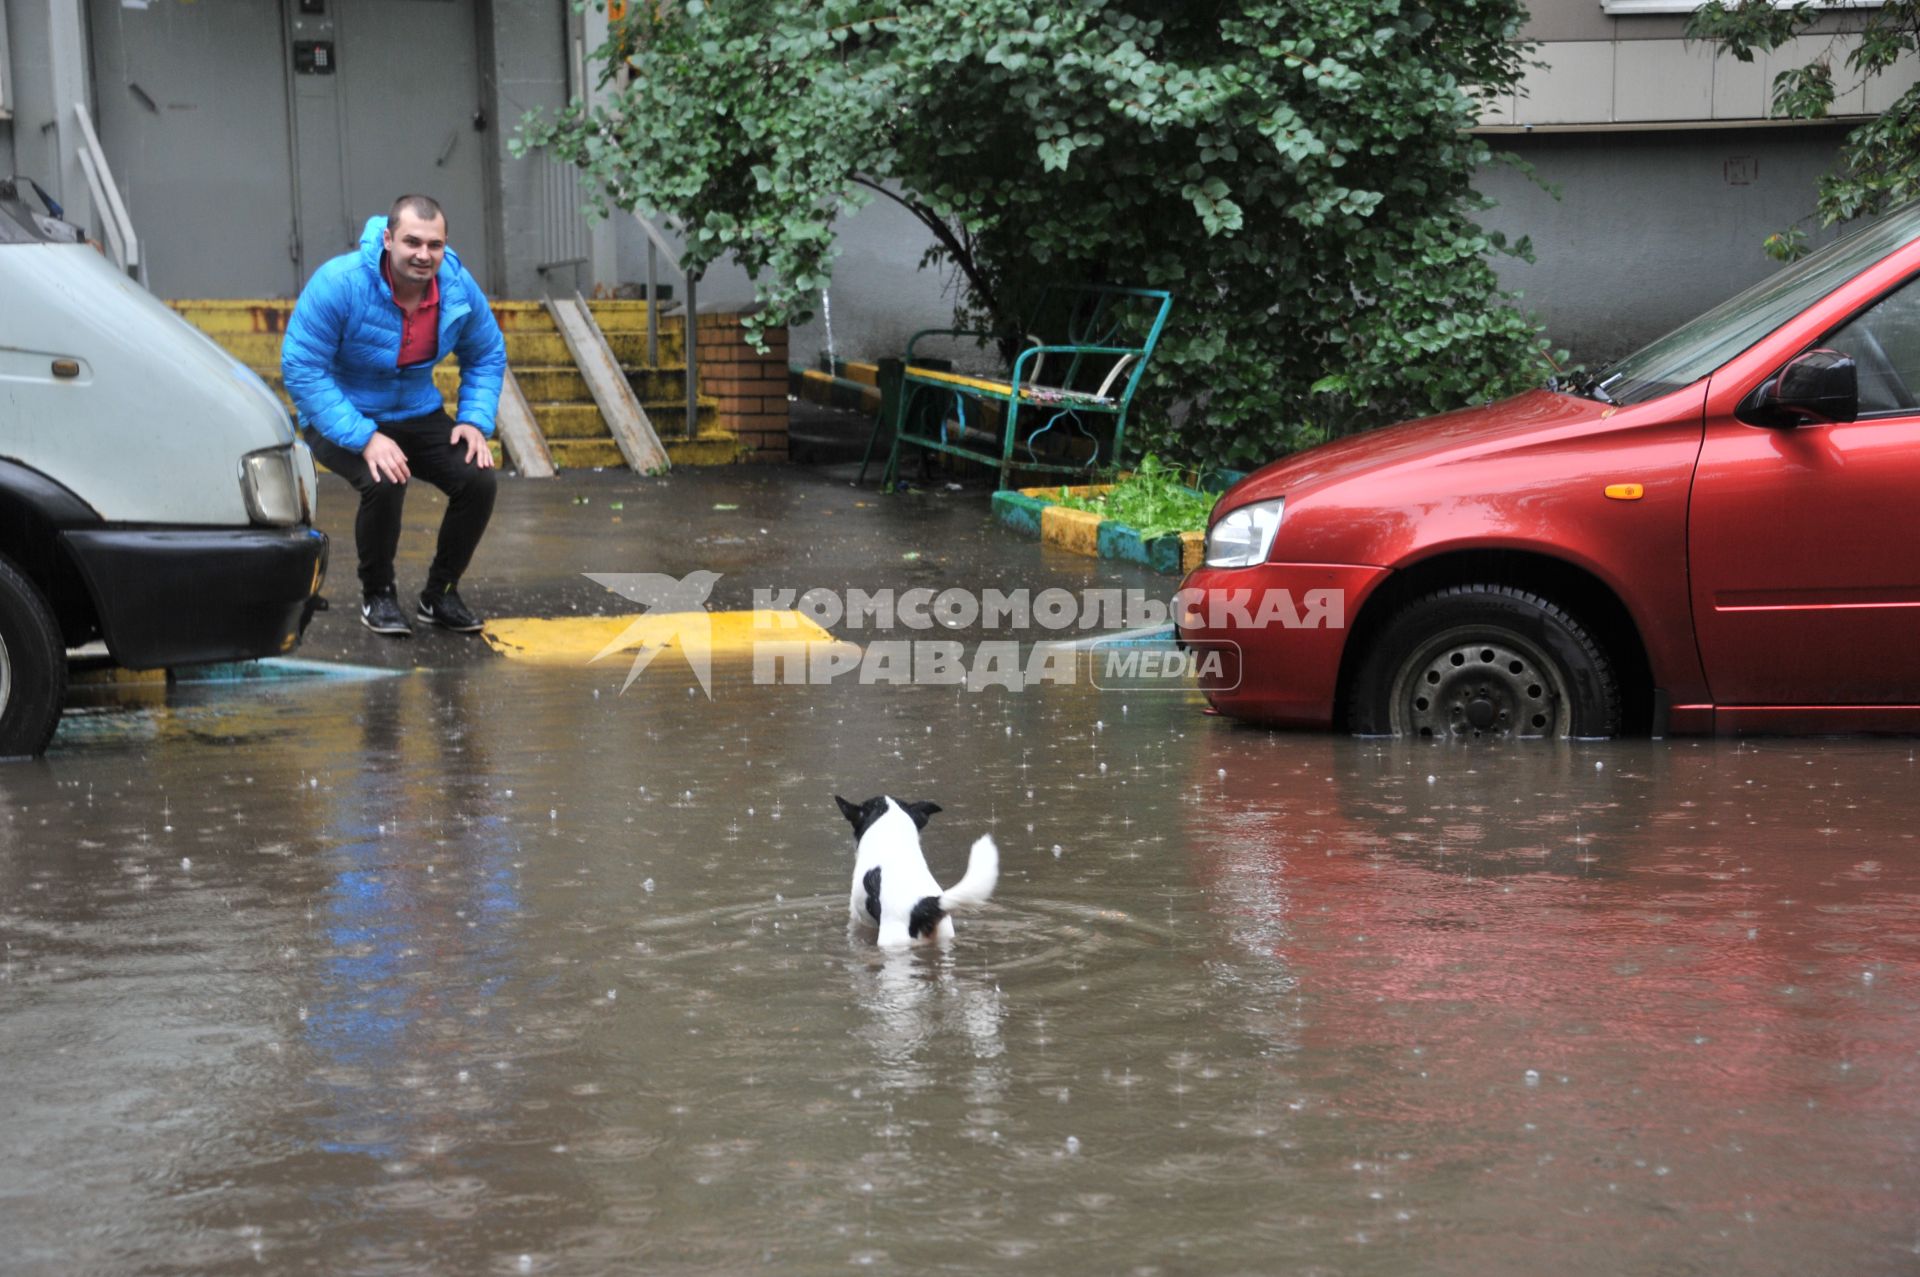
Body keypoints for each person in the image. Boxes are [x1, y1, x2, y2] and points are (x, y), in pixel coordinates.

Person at [282, 194, 506, 637]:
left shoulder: (457, 286)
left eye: (435, 245)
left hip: (415, 411)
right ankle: (378, 595)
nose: (424, 255)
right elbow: (302, 367)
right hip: (338, 413)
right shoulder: (340, 282)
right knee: (385, 479)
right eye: (412, 242)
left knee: (477, 477)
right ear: (388, 239)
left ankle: (439, 594)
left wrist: (473, 420)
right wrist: (365, 437)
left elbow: (486, 352)